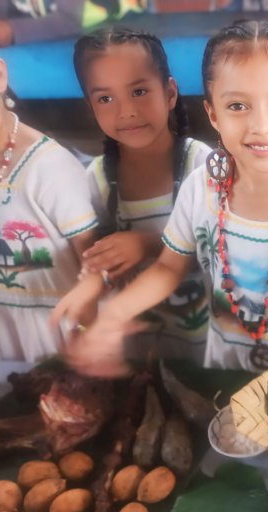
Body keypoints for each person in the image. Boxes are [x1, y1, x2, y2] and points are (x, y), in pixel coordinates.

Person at [58, 20, 268, 375]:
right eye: (237, 106)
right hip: (221, 371)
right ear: (213, 113)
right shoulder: (200, 188)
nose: (260, 125)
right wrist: (113, 314)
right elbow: (168, 267)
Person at [55, 27, 211, 363]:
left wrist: (148, 243)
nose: (126, 110)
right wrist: (93, 278)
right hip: (138, 355)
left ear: (170, 93)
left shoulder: (204, 168)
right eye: (106, 99)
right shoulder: (96, 180)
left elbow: (228, 250)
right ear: (90, 107)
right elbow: (93, 258)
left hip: (209, 357)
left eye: (139, 91)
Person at [0, 9, 98, 361]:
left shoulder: (50, 169)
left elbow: (96, 258)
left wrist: (92, 319)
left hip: (59, 330)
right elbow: (0, 234)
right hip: (7, 323)